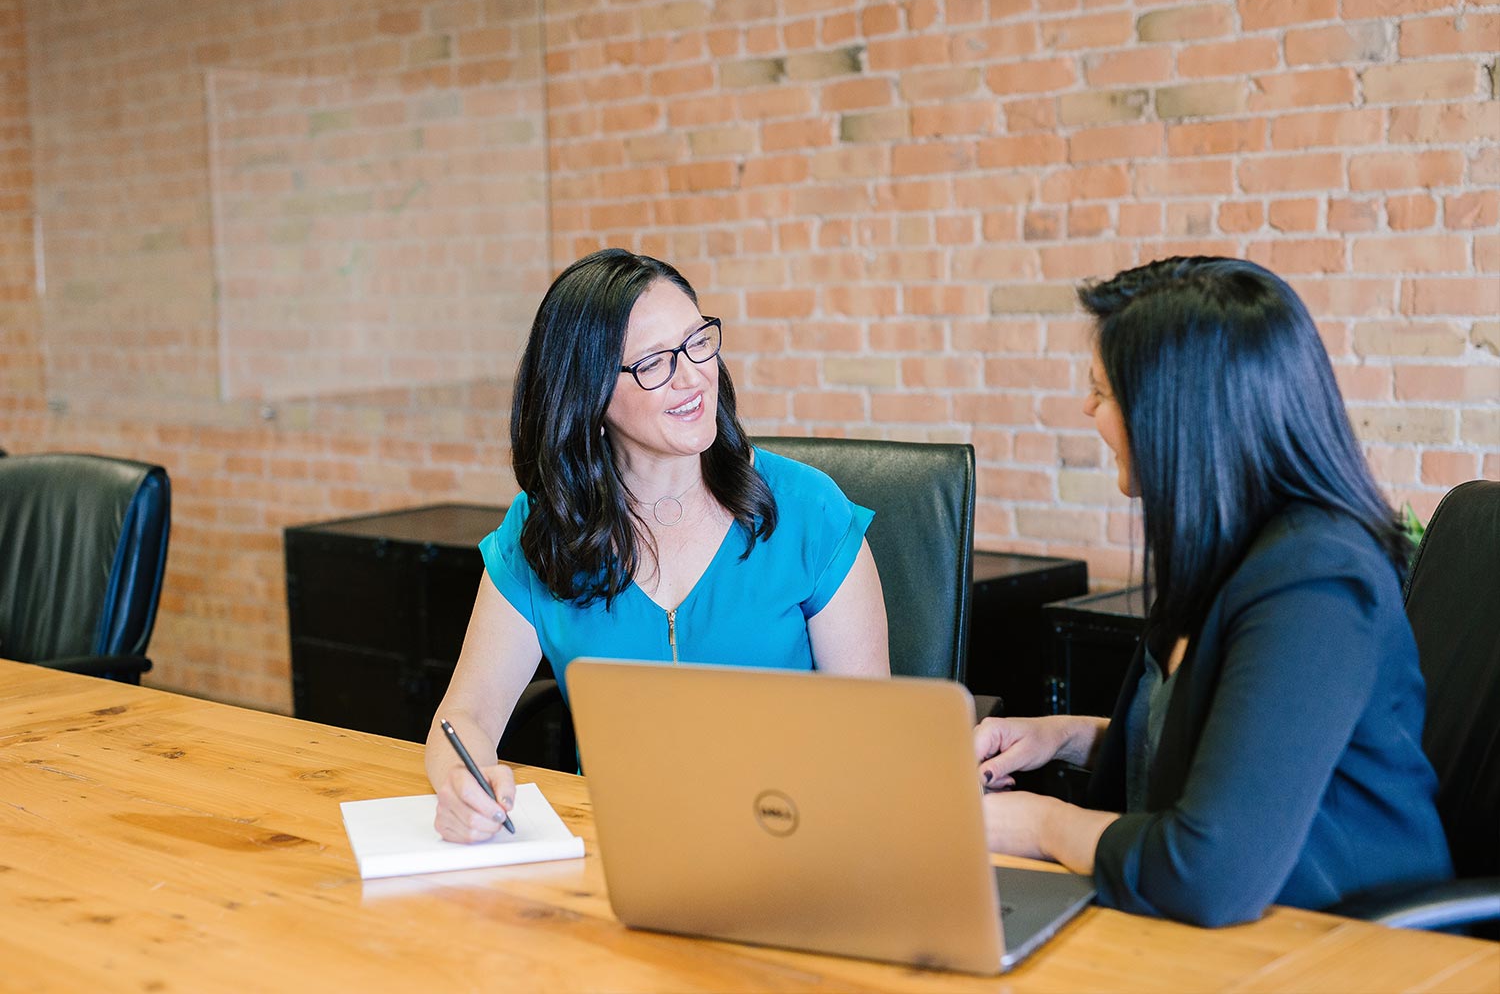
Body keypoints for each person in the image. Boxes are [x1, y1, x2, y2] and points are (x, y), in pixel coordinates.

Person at [974, 256, 1453, 926]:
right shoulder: (1228, 551)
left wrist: (1038, 826)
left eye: (1103, 393)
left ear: (1178, 417)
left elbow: (1207, 872)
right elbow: (1224, 748)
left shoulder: (1316, 583)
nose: (1086, 409)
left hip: (1343, 942)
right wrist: (1065, 736)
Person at [427, 248, 889, 842]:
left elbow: (872, 733)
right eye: (653, 363)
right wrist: (461, 786)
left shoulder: (808, 510)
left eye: (699, 342)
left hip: (792, 838)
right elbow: (465, 714)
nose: (694, 374)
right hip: (618, 849)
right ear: (588, 395)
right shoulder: (544, 531)